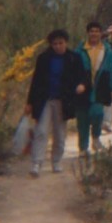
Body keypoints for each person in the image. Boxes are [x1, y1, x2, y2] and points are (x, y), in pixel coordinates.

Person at [25, 29, 86, 177]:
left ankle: (56, 160)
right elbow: (36, 81)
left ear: (66, 43)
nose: (58, 46)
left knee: (59, 133)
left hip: (63, 101)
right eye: (55, 44)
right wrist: (30, 102)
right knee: (41, 131)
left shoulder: (74, 58)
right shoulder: (43, 59)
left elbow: (83, 76)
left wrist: (82, 85)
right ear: (51, 44)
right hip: (45, 99)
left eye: (61, 43)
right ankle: (36, 163)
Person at [75, 21, 112, 156]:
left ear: (101, 33)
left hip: (100, 88)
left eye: (97, 31)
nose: (94, 33)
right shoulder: (79, 51)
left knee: (97, 114)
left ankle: (96, 138)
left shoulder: (107, 51)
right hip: (83, 89)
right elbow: (73, 71)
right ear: (87, 33)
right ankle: (83, 148)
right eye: (91, 31)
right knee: (82, 118)